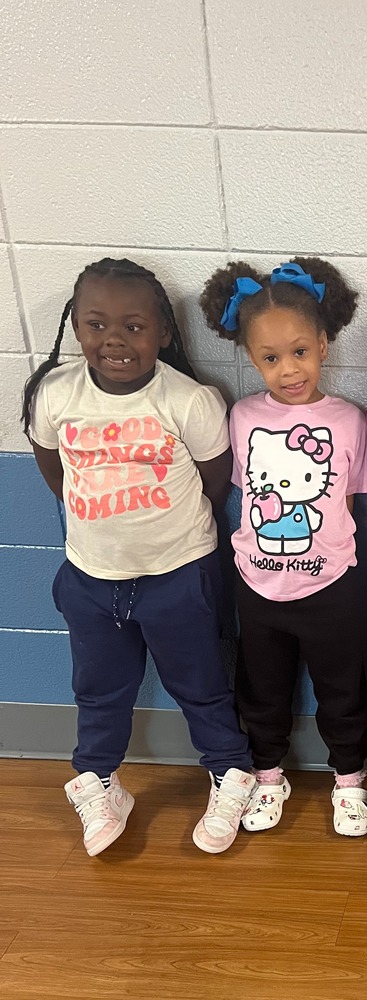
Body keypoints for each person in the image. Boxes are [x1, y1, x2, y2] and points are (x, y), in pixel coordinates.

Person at [22, 257, 256, 856]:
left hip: (181, 574)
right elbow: (57, 472)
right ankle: (100, 783)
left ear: (164, 333)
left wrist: (159, 538)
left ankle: (231, 773)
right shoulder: (55, 395)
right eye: (97, 324)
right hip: (92, 577)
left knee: (201, 683)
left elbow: (215, 483)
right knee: (98, 689)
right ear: (76, 327)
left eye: (133, 326)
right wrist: (108, 532)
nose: (115, 340)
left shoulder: (189, 401)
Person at [199, 258, 367, 836]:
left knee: (342, 688)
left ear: (323, 343)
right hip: (258, 584)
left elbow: (346, 502)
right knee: (262, 688)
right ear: (252, 359)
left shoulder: (350, 420)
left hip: (332, 586)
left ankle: (349, 780)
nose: (287, 369)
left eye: (299, 351)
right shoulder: (242, 417)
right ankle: (268, 775)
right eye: (270, 358)